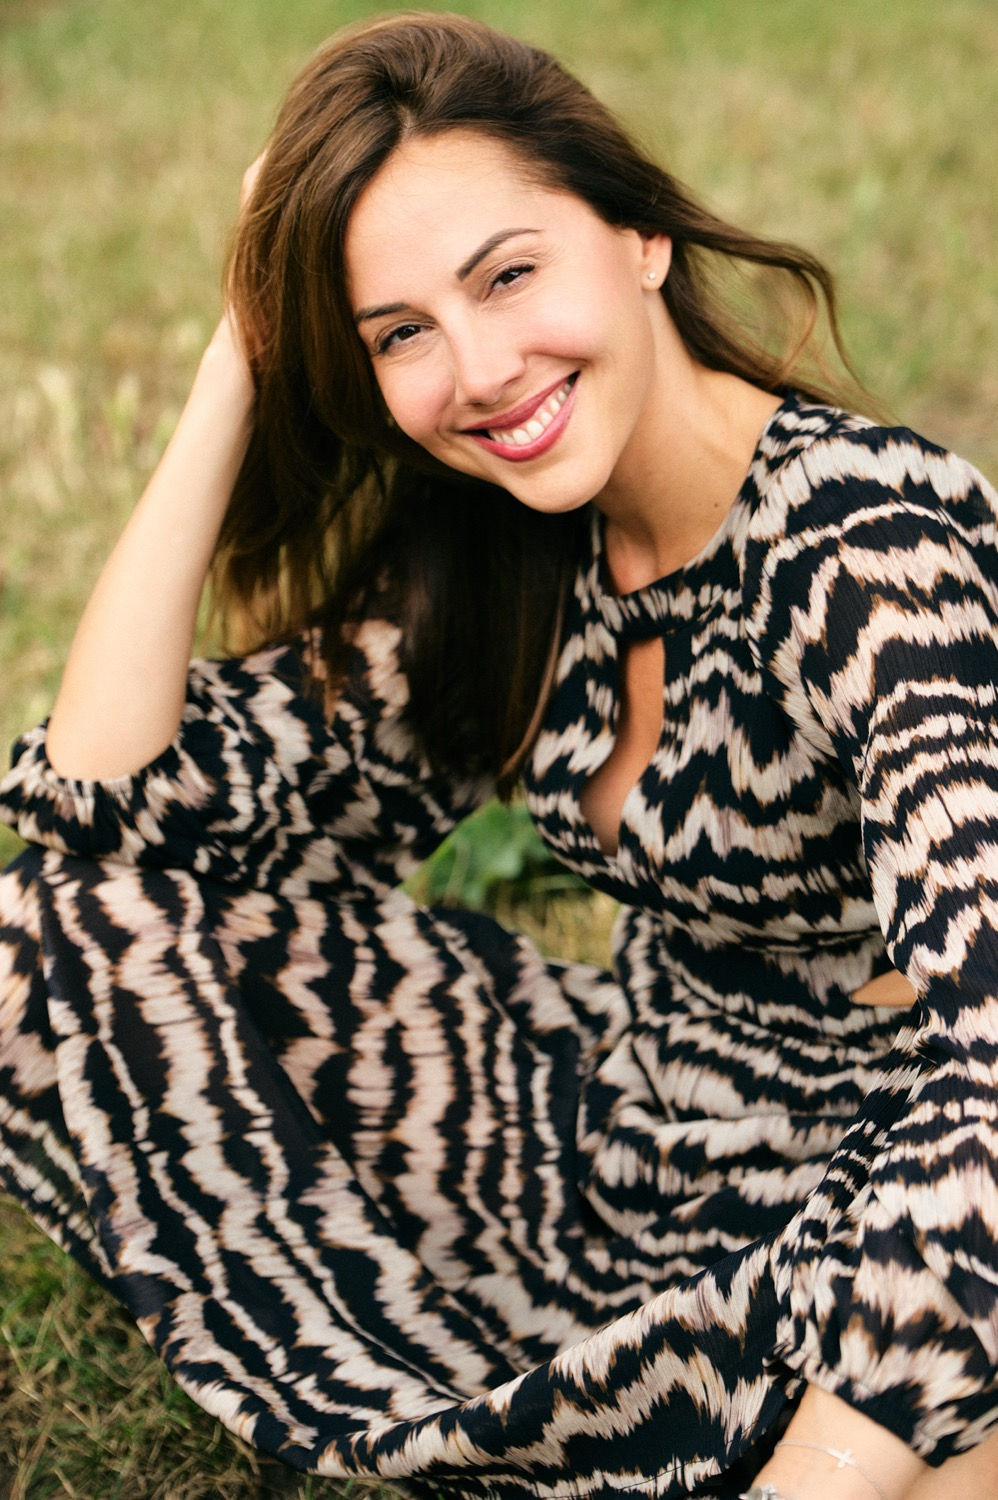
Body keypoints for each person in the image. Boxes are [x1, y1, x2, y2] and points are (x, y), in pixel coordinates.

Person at [0, 11, 995, 1499]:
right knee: (52, 936)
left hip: (878, 1205)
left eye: (508, 275)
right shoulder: (522, 547)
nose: (476, 370)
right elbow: (110, 809)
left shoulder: (867, 553)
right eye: (400, 332)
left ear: (642, 238)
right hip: (630, 1141)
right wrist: (238, 352)